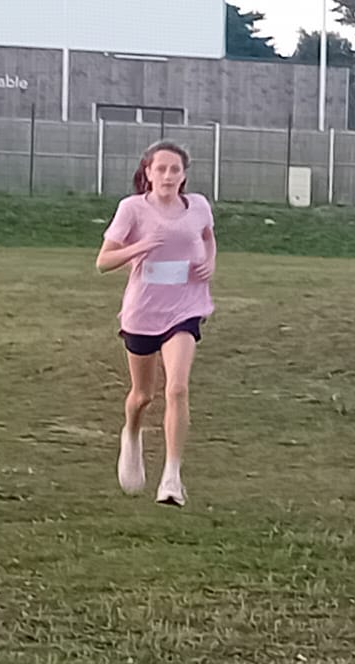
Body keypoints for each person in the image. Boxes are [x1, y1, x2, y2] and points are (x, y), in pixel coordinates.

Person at [95, 140, 218, 508]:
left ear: (183, 175)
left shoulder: (198, 206)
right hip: (143, 312)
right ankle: (131, 434)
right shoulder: (132, 209)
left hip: (185, 308)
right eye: (160, 168)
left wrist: (210, 262)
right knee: (143, 395)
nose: (167, 175)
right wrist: (141, 247)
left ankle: (172, 478)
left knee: (177, 388)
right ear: (147, 173)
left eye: (174, 169)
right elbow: (103, 262)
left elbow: (208, 237)